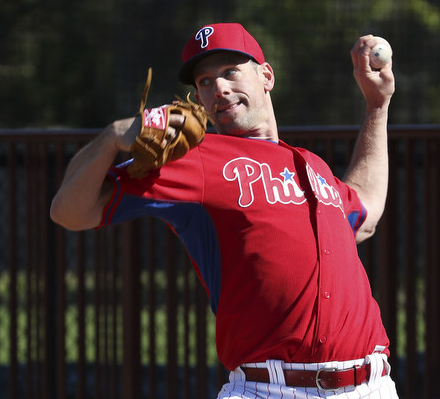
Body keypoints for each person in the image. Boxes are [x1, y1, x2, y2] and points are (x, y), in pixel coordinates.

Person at [50, 22, 397, 398]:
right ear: (198, 99)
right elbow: (69, 212)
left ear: (266, 76)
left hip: (371, 386)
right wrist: (111, 137)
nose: (219, 88)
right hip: (270, 388)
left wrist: (377, 106)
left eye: (230, 71)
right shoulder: (197, 160)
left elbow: (366, 213)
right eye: (204, 81)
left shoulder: (313, 166)